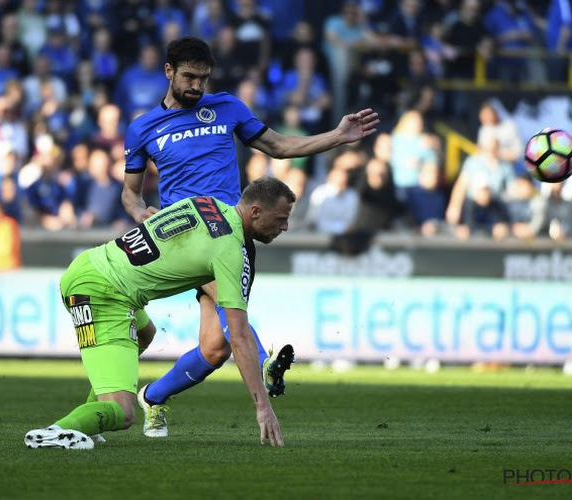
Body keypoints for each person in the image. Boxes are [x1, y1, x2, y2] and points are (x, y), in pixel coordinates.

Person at [122, 36, 379, 439]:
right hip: (184, 232)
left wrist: (336, 136)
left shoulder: (226, 107)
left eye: (203, 78)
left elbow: (278, 146)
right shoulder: (142, 128)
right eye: (189, 77)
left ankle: (153, 396)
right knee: (231, 309)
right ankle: (263, 361)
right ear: (168, 71)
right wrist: (140, 212)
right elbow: (129, 192)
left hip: (231, 230)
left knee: (214, 349)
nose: (197, 87)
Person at [24, 177, 295, 450]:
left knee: (145, 334)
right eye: (281, 218)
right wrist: (263, 408)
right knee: (123, 413)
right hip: (104, 293)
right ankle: (56, 431)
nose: (284, 226)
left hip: (92, 264)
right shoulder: (229, 249)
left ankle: (89, 419)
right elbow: (237, 335)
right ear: (256, 212)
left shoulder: (206, 204)